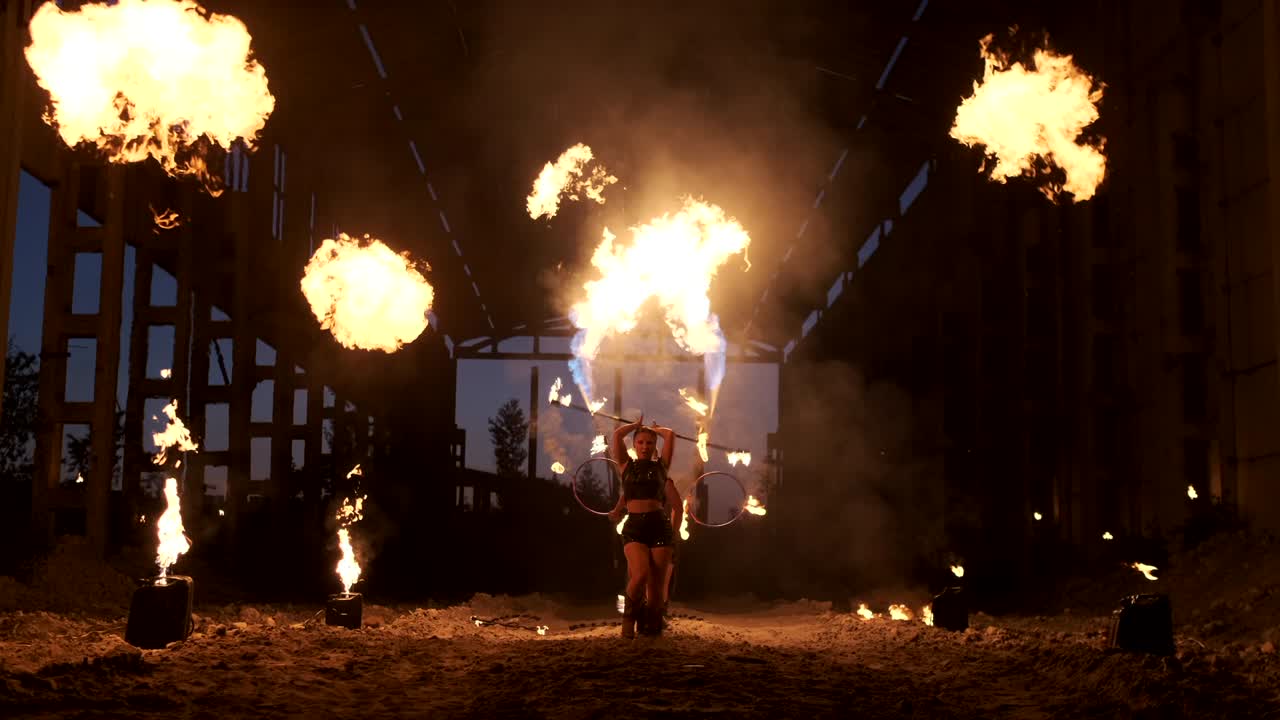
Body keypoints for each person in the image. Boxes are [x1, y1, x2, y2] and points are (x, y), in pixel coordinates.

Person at [607, 414, 681, 638]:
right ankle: (628, 619)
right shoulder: (625, 466)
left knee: (656, 586)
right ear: (634, 445)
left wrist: (657, 430)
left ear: (654, 446)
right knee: (639, 574)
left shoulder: (662, 468)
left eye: (649, 443)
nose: (645, 446)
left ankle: (653, 624)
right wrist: (635, 426)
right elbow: (618, 435)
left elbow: (670, 435)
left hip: (659, 527)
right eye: (640, 442)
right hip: (635, 527)